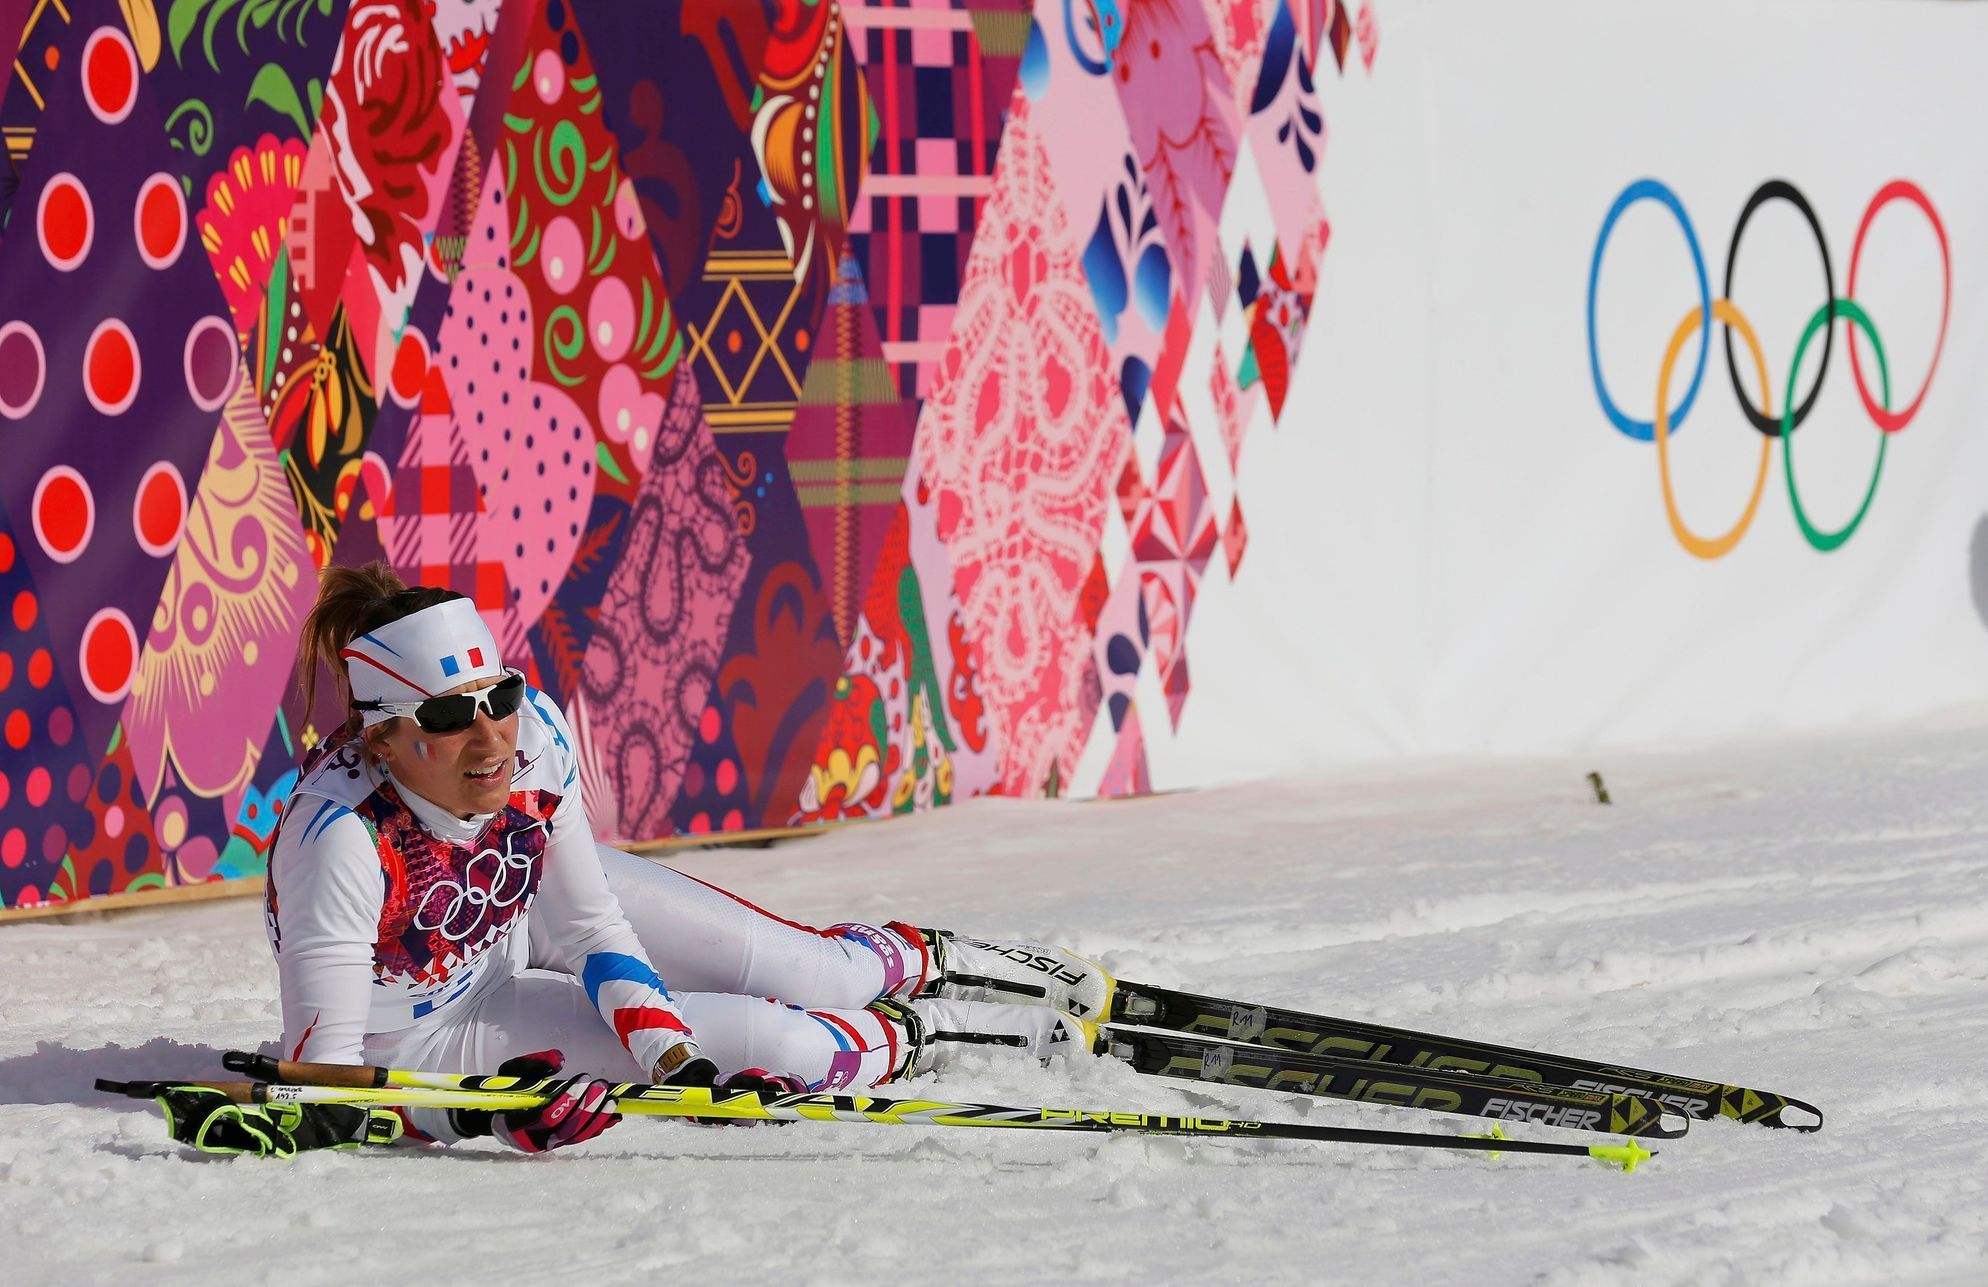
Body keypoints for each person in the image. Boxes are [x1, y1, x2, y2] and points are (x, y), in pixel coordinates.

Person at [177, 562, 1113, 1156]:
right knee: (786, 1045)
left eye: (498, 695)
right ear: (382, 739)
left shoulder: (534, 741)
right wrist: (479, 1112)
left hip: (522, 920)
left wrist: (669, 1054)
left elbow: (590, 926)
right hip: (433, 1033)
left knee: (815, 972)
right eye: (450, 716)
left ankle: (953, 962)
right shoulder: (340, 843)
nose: (492, 736)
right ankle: (930, 1031)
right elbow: (322, 1084)